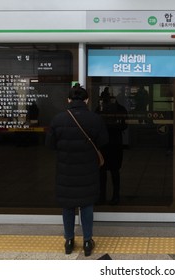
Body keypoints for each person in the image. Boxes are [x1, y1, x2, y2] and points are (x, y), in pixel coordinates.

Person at [45, 84, 108, 256]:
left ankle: (69, 241)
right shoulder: (95, 119)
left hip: (66, 171)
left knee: (67, 206)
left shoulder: (58, 119)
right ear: (87, 100)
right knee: (86, 205)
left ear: (68, 100)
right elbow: (103, 141)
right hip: (88, 170)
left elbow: (50, 145)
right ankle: (88, 241)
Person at [96, 88, 128, 205]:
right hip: (115, 143)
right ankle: (115, 196)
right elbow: (124, 125)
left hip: (104, 144)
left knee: (103, 172)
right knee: (114, 171)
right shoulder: (120, 109)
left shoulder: (100, 109)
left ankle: (102, 197)